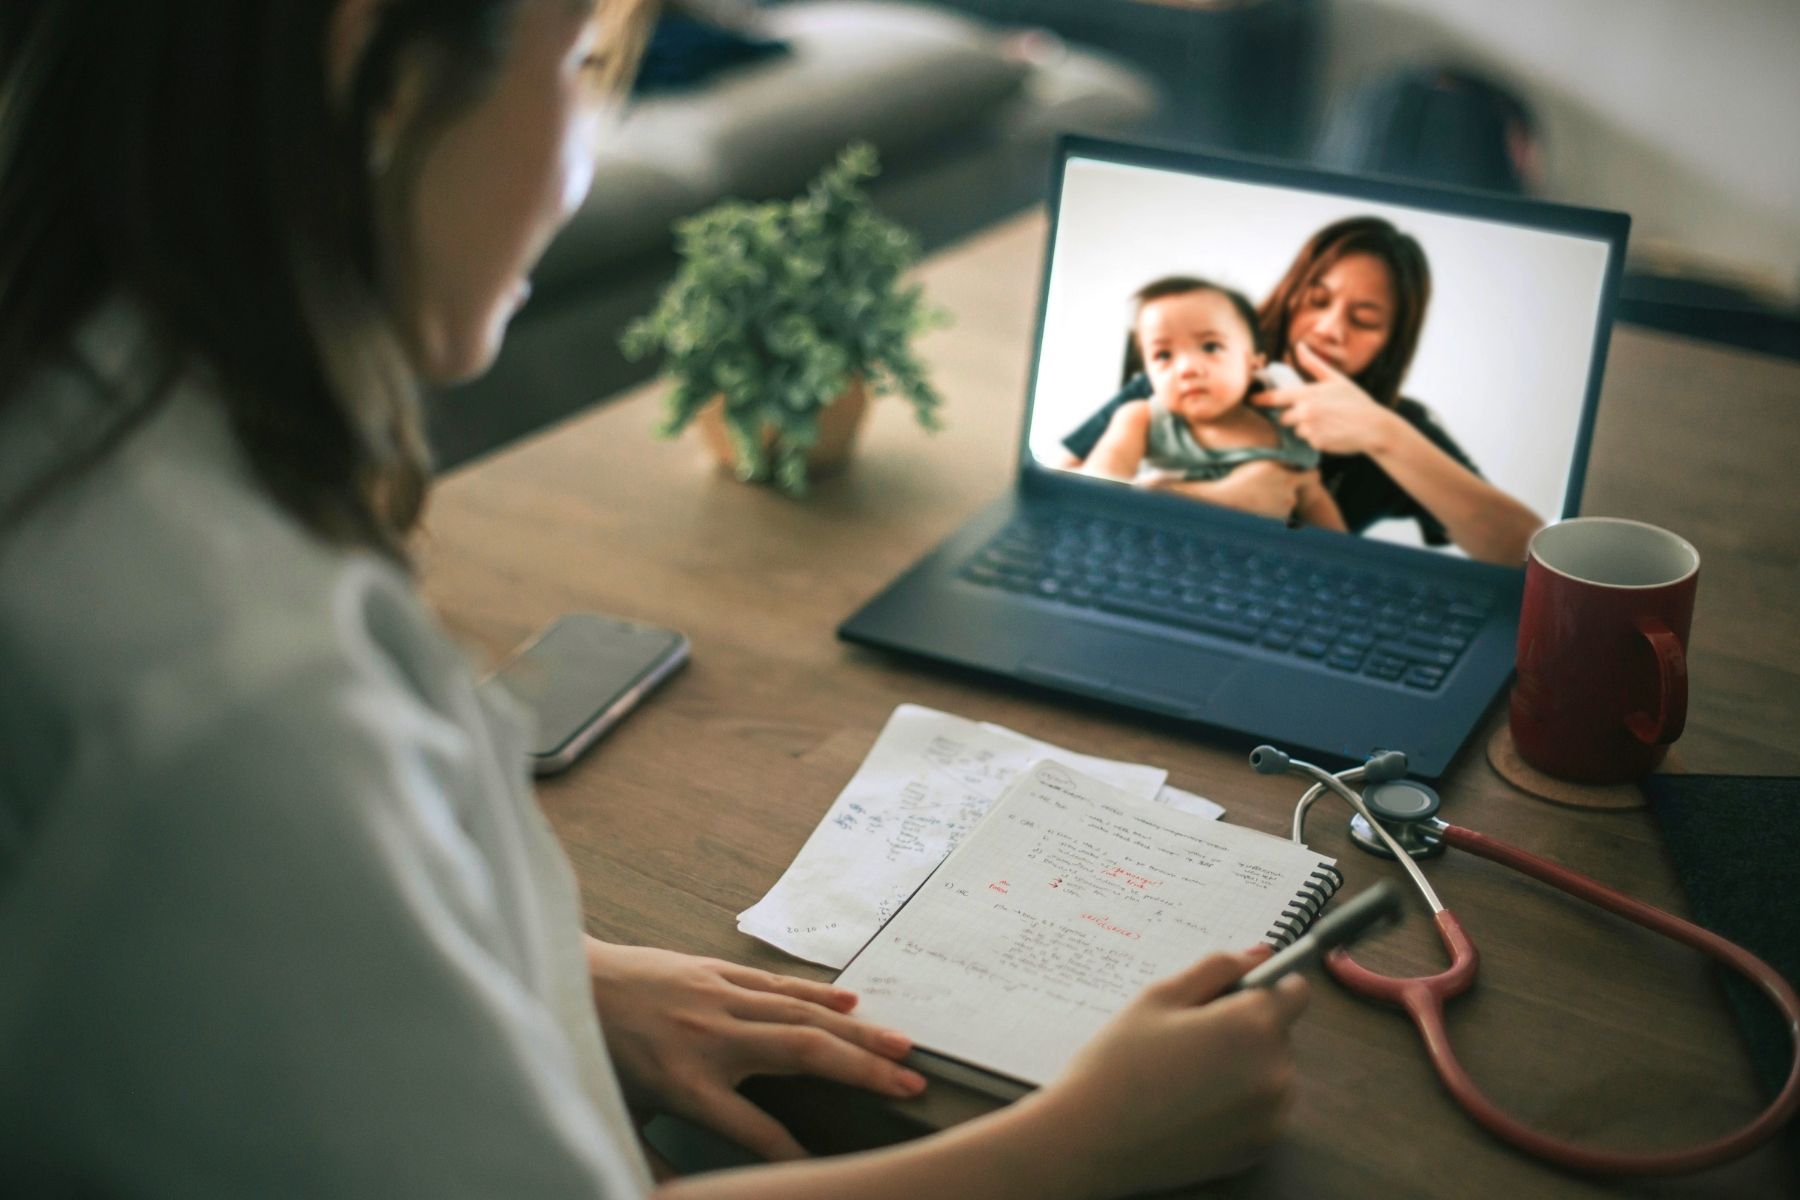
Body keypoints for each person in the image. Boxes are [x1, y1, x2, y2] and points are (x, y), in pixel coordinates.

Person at [0, 4, 1307, 1198]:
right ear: (370, 63)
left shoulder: (88, 420)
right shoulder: (240, 682)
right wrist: (1074, 1149)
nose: (580, 164)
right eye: (577, 64)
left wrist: (543, 972)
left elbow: (228, 946)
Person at [1061, 217, 1542, 565]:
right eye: (1318, 301)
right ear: (1291, 294)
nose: (1330, 329)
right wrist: (1219, 498)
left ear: (1391, 343)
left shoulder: (1398, 428)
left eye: (1365, 320)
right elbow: (1061, 498)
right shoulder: (1189, 378)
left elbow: (1527, 554)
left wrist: (1382, 434)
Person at [1079, 276, 1345, 531]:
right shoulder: (1141, 419)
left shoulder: (1286, 430)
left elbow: (1316, 504)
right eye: (1163, 354)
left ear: (1253, 363)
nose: (1187, 368)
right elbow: (1097, 486)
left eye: (1210, 347)